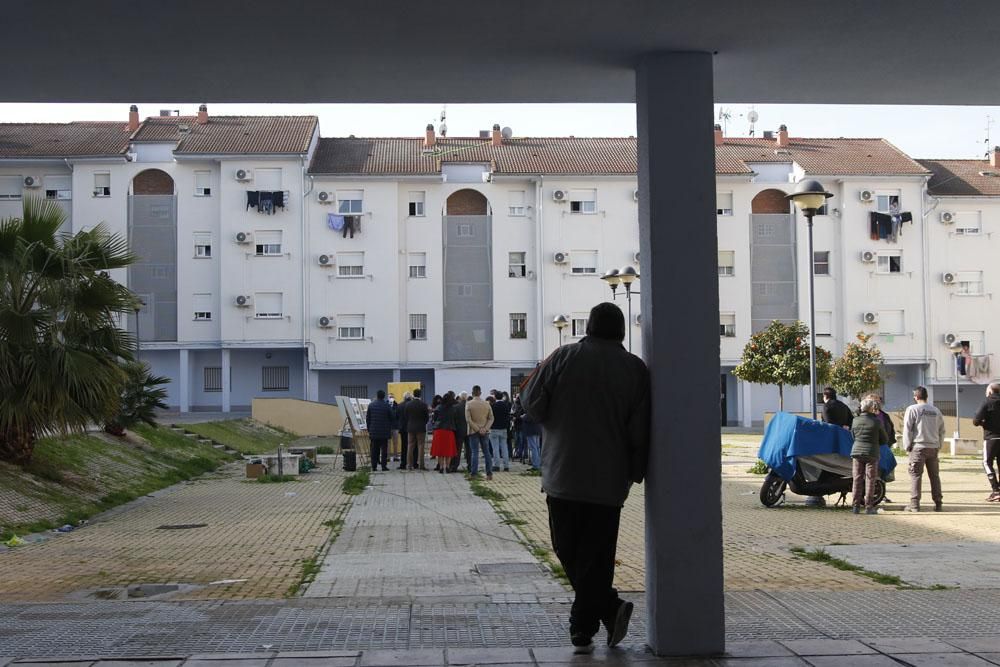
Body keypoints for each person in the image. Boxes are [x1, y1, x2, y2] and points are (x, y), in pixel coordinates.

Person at [520, 302, 650, 654]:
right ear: (622, 331)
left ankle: (594, 618)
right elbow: (640, 428)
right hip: (610, 480)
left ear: (587, 328)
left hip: (564, 473)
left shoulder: (562, 357)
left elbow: (531, 404)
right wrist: (635, 471)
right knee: (597, 554)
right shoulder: (635, 369)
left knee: (568, 548)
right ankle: (592, 621)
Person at [902, 385, 945, 512]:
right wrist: (939, 445)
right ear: (927, 396)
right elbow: (942, 430)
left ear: (916, 397)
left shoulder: (912, 409)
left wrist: (907, 446)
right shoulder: (936, 411)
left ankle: (914, 504)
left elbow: (907, 429)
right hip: (933, 448)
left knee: (916, 475)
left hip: (918, 447)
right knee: (934, 476)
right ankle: (938, 503)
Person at [850, 394, 888, 515]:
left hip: (857, 452)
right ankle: (868, 506)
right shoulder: (876, 422)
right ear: (872, 408)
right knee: (870, 479)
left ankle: (855, 506)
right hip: (872, 453)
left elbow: (853, 436)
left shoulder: (855, 420)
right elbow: (884, 439)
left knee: (857, 479)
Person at [972, 382, 1000, 501]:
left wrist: (984, 423)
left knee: (987, 462)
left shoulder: (987, 402)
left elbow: (976, 420)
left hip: (991, 438)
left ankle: (995, 490)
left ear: (990, 392)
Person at [466, 385, 495, 480]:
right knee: (487, 452)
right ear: (480, 393)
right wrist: (485, 428)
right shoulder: (487, 404)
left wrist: (477, 429)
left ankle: (474, 473)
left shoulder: (469, 404)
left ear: (472, 393)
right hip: (485, 432)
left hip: (473, 431)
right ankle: (489, 474)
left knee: (474, 452)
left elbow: (468, 419)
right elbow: (491, 418)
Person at [365, 390, 394, 472]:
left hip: (374, 431)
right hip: (384, 432)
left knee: (374, 450)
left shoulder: (371, 405)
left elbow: (368, 419)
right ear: (384, 396)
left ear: (377, 396)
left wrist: (369, 429)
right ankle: (384, 466)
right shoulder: (387, 405)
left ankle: (374, 466)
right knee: (384, 450)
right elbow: (392, 417)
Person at [430, 391, 458, 473]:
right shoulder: (453, 408)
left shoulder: (438, 407)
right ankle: (448, 467)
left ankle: (441, 467)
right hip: (449, 431)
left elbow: (434, 419)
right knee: (448, 451)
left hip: (439, 431)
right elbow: (455, 419)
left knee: (440, 451)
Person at [404, 388, 429, 471]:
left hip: (410, 427)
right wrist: (423, 423)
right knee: (421, 446)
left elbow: (406, 416)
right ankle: (421, 465)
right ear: (420, 395)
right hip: (421, 428)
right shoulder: (423, 404)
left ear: (413, 395)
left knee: (410, 446)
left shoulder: (408, 404)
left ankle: (409, 465)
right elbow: (427, 417)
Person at [490, 391, 512, 472]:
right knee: (504, 447)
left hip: (494, 428)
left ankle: (496, 465)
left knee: (495, 448)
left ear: (495, 397)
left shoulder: (493, 406)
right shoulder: (506, 405)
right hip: (504, 429)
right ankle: (506, 466)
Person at [397, 392, 412, 470]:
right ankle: (412, 463)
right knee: (413, 446)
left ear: (404, 397)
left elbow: (397, 417)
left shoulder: (399, 405)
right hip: (411, 428)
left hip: (403, 428)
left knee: (404, 446)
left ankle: (403, 463)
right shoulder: (412, 405)